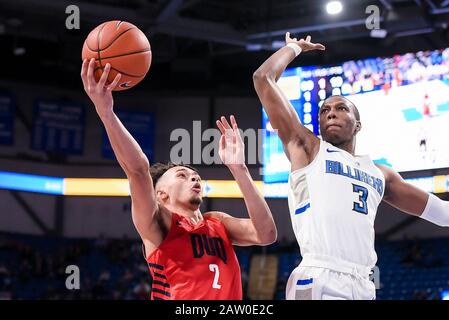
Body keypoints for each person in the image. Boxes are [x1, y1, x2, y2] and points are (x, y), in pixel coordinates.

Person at [253, 33, 449, 300]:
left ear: (358, 125)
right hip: (320, 275)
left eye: (341, 108)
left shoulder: (380, 173)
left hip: (362, 284)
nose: (330, 112)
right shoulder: (308, 148)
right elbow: (262, 79)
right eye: (324, 110)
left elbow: (442, 213)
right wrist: (294, 48)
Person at [80, 58, 277, 300]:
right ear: (161, 195)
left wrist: (240, 169)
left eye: (196, 176)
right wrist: (106, 113)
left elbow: (266, 234)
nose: (194, 179)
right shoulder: (158, 226)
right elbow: (138, 169)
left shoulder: (217, 223)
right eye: (182, 176)